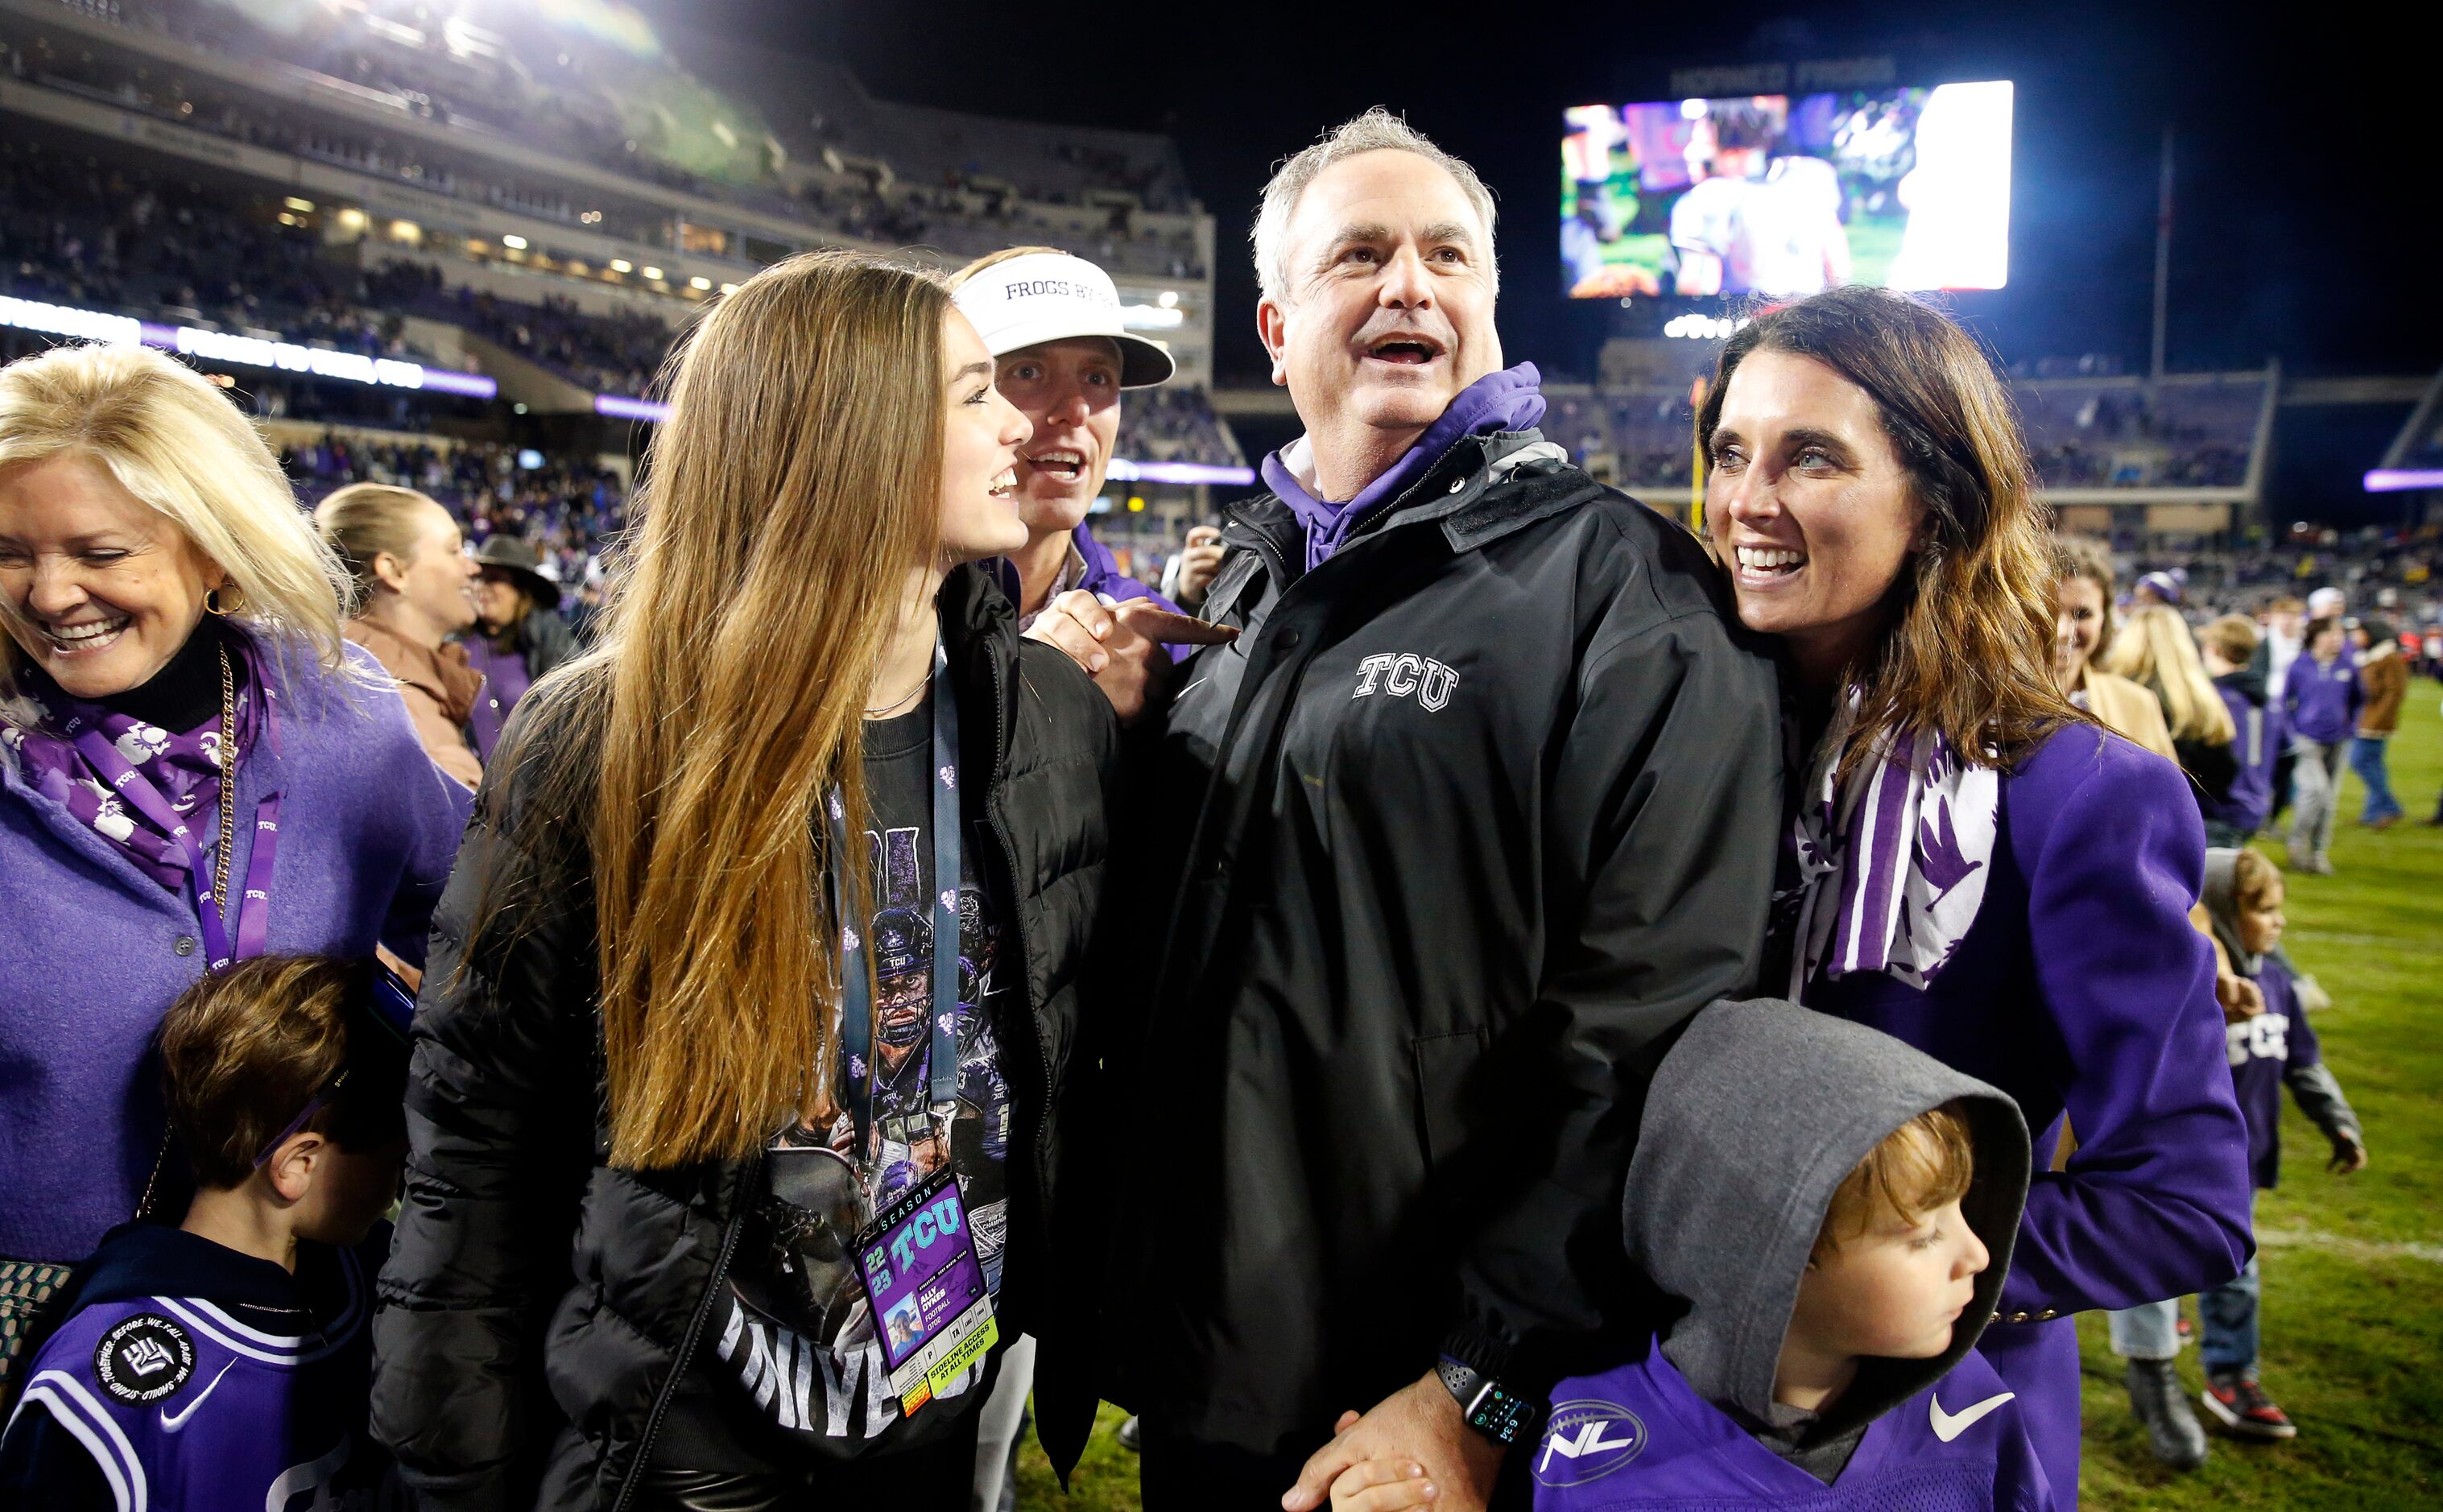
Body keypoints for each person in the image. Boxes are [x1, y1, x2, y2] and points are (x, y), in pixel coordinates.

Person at [1037, 109, 1784, 1512]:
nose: (1407, 285)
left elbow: (1643, 1034)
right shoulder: (1245, 591)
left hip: (1418, 1416)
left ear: (1489, 311)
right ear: (1274, 325)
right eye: (1359, 254)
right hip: (1209, 1372)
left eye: (1447, 255)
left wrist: (1479, 1383)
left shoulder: (1627, 595)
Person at [370, 250, 1129, 1508]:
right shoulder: (603, 736)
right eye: (977, 393)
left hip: (930, 1431)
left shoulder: (1046, 713)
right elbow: (477, 1154)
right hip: (671, 1443)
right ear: (846, 433)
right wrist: (452, 1478)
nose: (1025, 424)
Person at [1698, 286, 2254, 1502]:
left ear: (1935, 499)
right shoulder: (1677, 748)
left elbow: (2184, 1202)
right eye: (1731, 451)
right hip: (1671, 1382)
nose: (1747, 498)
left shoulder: (2081, 793)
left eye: (1811, 457)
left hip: (1929, 1428)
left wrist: (1854, 1272)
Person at [0, 343, 467, 1383]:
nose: (49, 591)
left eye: (100, 550)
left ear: (213, 548)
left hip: (293, 1300)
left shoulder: (339, 710)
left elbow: (485, 921)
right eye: (7, 551)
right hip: (30, 1319)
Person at [1515, 1001, 2047, 1511]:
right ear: (1777, 1258)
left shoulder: (1971, 1408)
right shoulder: (1586, 1461)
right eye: (1924, 1236)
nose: (1978, 1254)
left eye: (1964, 1209)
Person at [0, 955, 408, 1507]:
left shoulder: (370, 1274)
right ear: (299, 1165)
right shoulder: (106, 1392)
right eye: (393, 1150)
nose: (403, 1175)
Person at [2112, 849, 2367, 1455]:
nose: (2278, 924)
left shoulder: (2277, 980)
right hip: (2173, 1169)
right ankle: (2156, 1379)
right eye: (2264, 910)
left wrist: (2338, 1121)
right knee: (2153, 1274)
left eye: (2280, 910)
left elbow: (2303, 1062)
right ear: (2224, 912)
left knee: (2237, 1274)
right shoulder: (2185, 983)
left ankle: (2230, 1375)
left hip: (2239, 1172)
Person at [945, 247, 1179, 631]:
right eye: (1027, 372)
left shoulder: (1162, 638)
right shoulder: (852, 611)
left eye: (1097, 378)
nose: (1077, 410)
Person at [315, 481, 494, 789]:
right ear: (394, 571)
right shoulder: (389, 698)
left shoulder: (373, 671)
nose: (472, 567)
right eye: (454, 550)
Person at [2102, 603, 2238, 812]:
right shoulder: (2203, 698)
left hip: (2123, 813)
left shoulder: (2110, 691)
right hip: (2190, 815)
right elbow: (2223, 773)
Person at [2050, 536, 2175, 760]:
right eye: (2048, 611)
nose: (2063, 631)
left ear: (2104, 621)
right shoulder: (1986, 706)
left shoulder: (2137, 705)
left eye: (2083, 615)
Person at [459, 533, 577, 754]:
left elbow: (573, 710)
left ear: (521, 591)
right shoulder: (459, 644)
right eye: (479, 578)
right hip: (475, 784)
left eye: (494, 579)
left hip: (537, 782)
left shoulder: (548, 638)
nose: (481, 587)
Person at [2281, 615, 2360, 874]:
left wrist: (2351, 726)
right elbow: (2284, 702)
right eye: (2331, 633)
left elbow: (2359, 699)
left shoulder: (2348, 665)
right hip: (2307, 739)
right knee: (2316, 791)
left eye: (2340, 634)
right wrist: (2292, 731)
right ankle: (2296, 844)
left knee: (2329, 801)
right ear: (2316, 636)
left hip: (2338, 740)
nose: (2337, 639)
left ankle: (2317, 854)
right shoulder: (2300, 666)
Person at [2197, 615, 2282, 849]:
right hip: (2255, 807)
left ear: (2213, 649)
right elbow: (2288, 757)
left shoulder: (2212, 700)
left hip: (2218, 811)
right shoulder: (2271, 702)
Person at [2348, 616, 2407, 829]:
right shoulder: (2370, 656)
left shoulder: (2389, 657)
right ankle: (2373, 813)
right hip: (2366, 717)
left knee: (2360, 761)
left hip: (2374, 722)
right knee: (2374, 765)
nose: (2355, 636)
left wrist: (2378, 720)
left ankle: (2389, 805)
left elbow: (2395, 692)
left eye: (2360, 632)